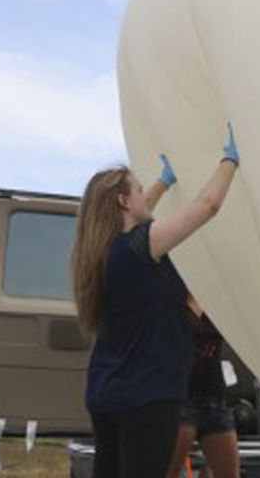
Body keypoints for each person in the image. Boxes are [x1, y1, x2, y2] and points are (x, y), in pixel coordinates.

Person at [71, 123, 240, 478]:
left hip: (107, 392)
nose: (146, 195)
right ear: (122, 201)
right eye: (139, 189)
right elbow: (207, 206)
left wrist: (165, 181)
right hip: (146, 396)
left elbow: (140, 209)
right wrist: (229, 160)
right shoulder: (140, 246)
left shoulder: (100, 252)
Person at [165, 312, 241, 478]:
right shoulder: (173, 299)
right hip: (181, 398)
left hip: (214, 398)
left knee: (229, 474)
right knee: (170, 472)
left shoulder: (213, 302)